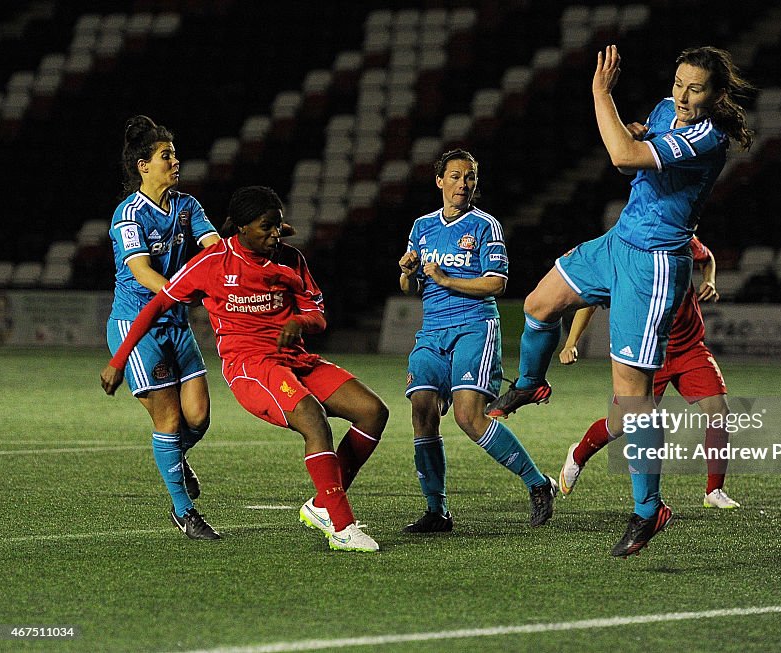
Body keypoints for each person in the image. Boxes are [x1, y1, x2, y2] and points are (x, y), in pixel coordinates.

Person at [486, 45, 753, 557]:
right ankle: (529, 384)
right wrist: (638, 132)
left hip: (653, 264)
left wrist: (600, 94)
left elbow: (622, 158)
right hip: (619, 241)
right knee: (539, 305)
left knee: (632, 402)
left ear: (717, 96)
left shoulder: (708, 135)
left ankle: (649, 511)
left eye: (695, 89)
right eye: (678, 83)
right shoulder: (664, 110)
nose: (682, 96)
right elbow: (639, 165)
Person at [102, 186, 389, 553]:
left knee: (372, 412)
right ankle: (342, 526)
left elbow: (318, 316)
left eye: (278, 225)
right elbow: (156, 305)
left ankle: (322, 505)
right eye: (266, 226)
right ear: (241, 228)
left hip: (296, 359)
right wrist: (118, 360)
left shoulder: (291, 260)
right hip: (252, 366)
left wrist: (300, 322)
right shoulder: (212, 263)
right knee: (313, 420)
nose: (275, 233)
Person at [398, 149, 557, 533]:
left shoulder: (486, 225)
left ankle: (538, 484)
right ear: (439, 181)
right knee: (422, 411)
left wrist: (447, 279)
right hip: (432, 331)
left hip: (474, 327)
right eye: (454, 177)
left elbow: (497, 282)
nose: (462, 184)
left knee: (469, 417)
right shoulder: (421, 227)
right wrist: (406, 273)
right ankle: (437, 511)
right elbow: (411, 286)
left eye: (469, 178)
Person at [556, 236, 741, 510]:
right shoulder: (626, 252)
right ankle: (579, 454)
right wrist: (571, 342)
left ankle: (714, 490)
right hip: (646, 354)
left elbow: (707, 258)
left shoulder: (681, 238)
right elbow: (590, 300)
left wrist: (710, 280)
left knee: (719, 413)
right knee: (619, 425)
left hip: (689, 347)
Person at [106, 115, 221, 540]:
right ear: (143, 165)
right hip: (138, 327)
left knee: (199, 418)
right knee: (170, 420)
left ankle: (174, 459)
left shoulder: (188, 207)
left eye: (174, 154)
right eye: (166, 156)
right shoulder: (129, 214)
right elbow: (140, 272)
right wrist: (184, 290)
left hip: (176, 324)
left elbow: (214, 247)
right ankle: (184, 512)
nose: (176, 162)